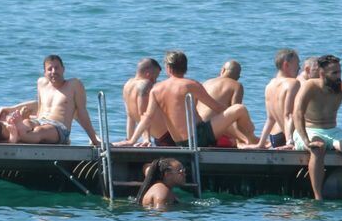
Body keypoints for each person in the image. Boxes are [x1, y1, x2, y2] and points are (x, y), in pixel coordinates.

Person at [125, 51, 257, 148]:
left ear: (168, 68)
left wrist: (131, 141)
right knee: (239, 109)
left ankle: (246, 141)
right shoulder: (191, 85)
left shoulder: (157, 89)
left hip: (179, 141)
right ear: (185, 67)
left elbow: (146, 118)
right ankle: (249, 140)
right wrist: (239, 120)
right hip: (197, 138)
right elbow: (216, 108)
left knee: (220, 121)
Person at [292, 54, 342, 202]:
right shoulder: (310, 86)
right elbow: (297, 113)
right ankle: (318, 198)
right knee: (318, 148)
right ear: (322, 74)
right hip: (309, 129)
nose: (339, 76)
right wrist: (306, 140)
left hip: (332, 130)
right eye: (334, 73)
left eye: (340, 72)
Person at [0, 55, 100, 146]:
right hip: (39, 121)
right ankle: (18, 133)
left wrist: (94, 139)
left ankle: (17, 136)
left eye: (57, 68)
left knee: (40, 131)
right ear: (44, 72)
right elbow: (39, 105)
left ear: (63, 69)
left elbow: (82, 112)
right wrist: (10, 109)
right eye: (50, 69)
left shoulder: (74, 85)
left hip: (58, 128)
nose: (53, 71)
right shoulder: (42, 83)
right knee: (27, 122)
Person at [115, 57, 173, 146]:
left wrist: (129, 139)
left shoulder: (127, 85)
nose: (155, 81)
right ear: (148, 74)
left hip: (158, 137)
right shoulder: (146, 84)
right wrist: (146, 138)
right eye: (154, 77)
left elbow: (130, 115)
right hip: (167, 136)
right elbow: (144, 114)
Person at [255, 48, 300, 148]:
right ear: (286, 65)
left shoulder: (269, 85)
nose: (299, 68)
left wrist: (261, 144)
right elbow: (288, 115)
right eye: (297, 64)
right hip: (290, 137)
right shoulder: (293, 83)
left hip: (275, 138)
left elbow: (270, 119)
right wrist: (290, 142)